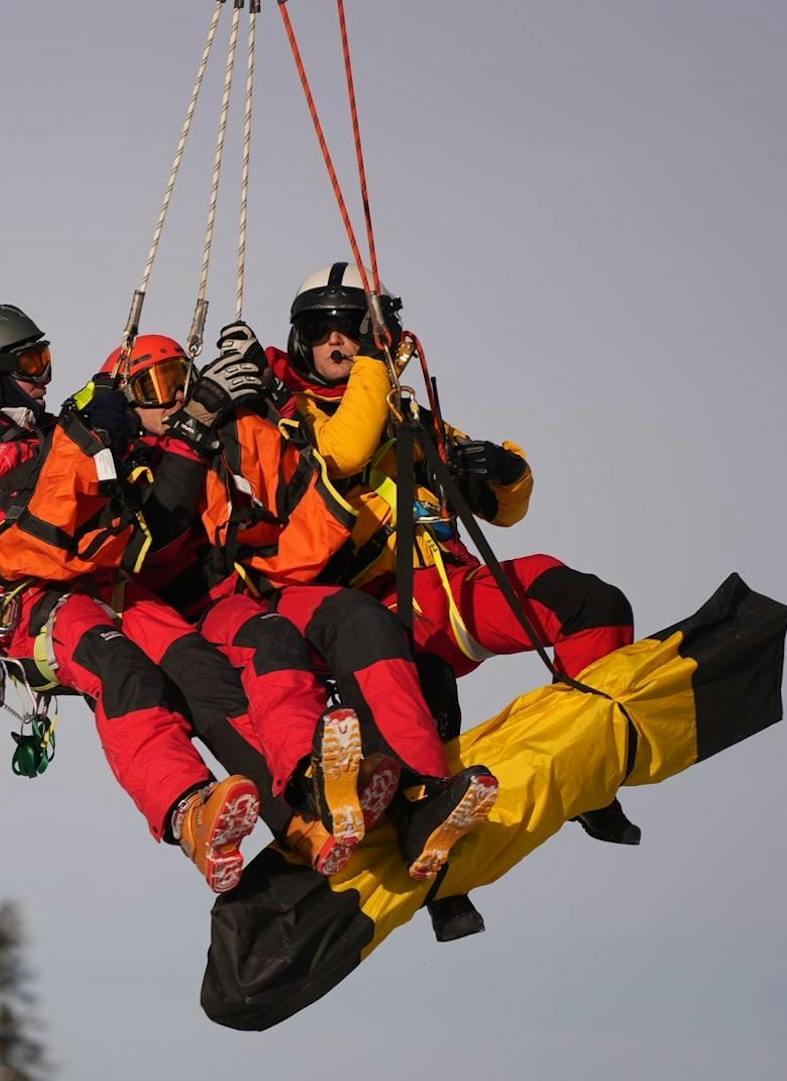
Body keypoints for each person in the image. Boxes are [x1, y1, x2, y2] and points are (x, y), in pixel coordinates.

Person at [253, 263, 639, 938]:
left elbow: (497, 506)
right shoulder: (289, 422)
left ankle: (592, 769)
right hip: (369, 604)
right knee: (423, 709)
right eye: (324, 330)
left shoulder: (413, 417)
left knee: (590, 603)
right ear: (300, 340)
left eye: (357, 328)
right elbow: (336, 468)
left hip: (450, 587)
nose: (342, 343)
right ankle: (435, 875)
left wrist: (506, 473)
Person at [0, 303, 261, 894]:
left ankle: (291, 789)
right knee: (120, 668)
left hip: (95, 583)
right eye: (31, 362)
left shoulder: (43, 434)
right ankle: (187, 808)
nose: (44, 375)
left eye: (45, 358)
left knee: (196, 661)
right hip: (19, 601)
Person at [113, 332, 499, 881]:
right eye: (153, 386)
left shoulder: (226, 435)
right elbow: (149, 535)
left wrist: (261, 400)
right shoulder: (124, 462)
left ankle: (420, 785)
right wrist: (193, 432)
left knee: (361, 619)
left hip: (257, 586)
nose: (172, 397)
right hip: (187, 614)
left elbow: (300, 491)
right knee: (268, 645)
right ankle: (308, 780)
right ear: (127, 401)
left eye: (180, 378)